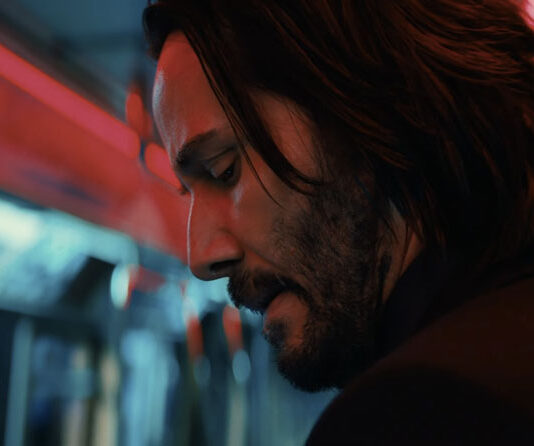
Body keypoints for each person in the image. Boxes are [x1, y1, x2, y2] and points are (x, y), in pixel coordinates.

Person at [143, 0, 534, 443]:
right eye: (189, 194)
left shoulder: (418, 410)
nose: (200, 257)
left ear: (369, 110)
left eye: (223, 170)